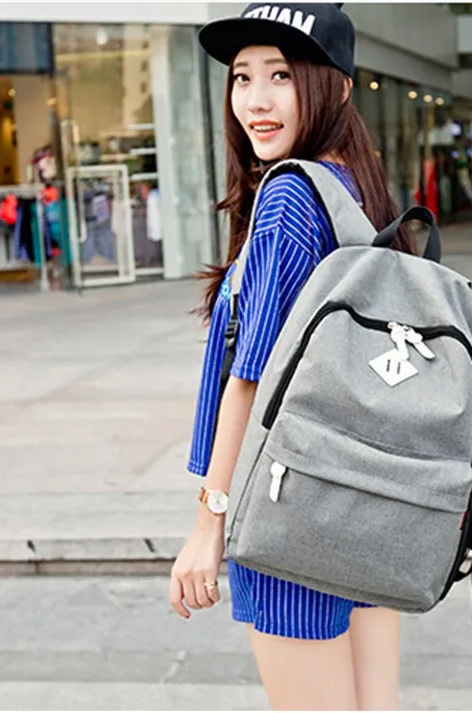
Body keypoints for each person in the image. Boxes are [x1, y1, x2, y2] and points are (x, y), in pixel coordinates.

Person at [169, 4, 415, 710]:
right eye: (243, 77)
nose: (256, 100)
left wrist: (209, 524)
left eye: (280, 75)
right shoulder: (354, 187)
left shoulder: (287, 200)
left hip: (289, 508)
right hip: (365, 501)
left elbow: (251, 380)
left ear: (336, 86)